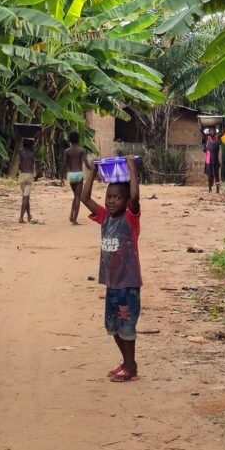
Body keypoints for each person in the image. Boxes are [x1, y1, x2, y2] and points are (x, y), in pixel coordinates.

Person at [79, 154, 142, 383]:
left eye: (117, 197)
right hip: (112, 284)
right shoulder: (105, 217)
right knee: (112, 326)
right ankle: (126, 363)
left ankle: (131, 366)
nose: (111, 201)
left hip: (128, 284)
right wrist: (94, 170)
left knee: (126, 326)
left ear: (126, 202)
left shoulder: (130, 218)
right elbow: (84, 197)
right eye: (109, 197)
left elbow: (135, 196)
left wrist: (131, 166)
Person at [63, 131, 88, 225]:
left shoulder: (67, 151)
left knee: (75, 196)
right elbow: (87, 163)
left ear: (69, 140)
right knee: (78, 197)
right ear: (78, 139)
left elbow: (64, 165)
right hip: (79, 174)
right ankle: (74, 219)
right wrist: (95, 169)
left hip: (71, 175)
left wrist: (62, 177)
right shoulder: (82, 151)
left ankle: (71, 214)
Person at [17, 138, 36, 224]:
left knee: (26, 196)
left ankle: (28, 215)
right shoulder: (32, 154)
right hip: (29, 175)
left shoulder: (20, 153)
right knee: (25, 197)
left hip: (21, 175)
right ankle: (21, 217)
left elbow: (20, 166)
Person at [203, 128, 221, 193]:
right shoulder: (207, 138)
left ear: (216, 131)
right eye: (211, 130)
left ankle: (217, 190)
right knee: (209, 175)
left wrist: (223, 126)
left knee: (216, 175)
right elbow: (201, 132)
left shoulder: (217, 138)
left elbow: (223, 132)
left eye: (214, 130)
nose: (212, 131)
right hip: (209, 160)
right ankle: (209, 189)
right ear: (209, 132)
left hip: (216, 160)